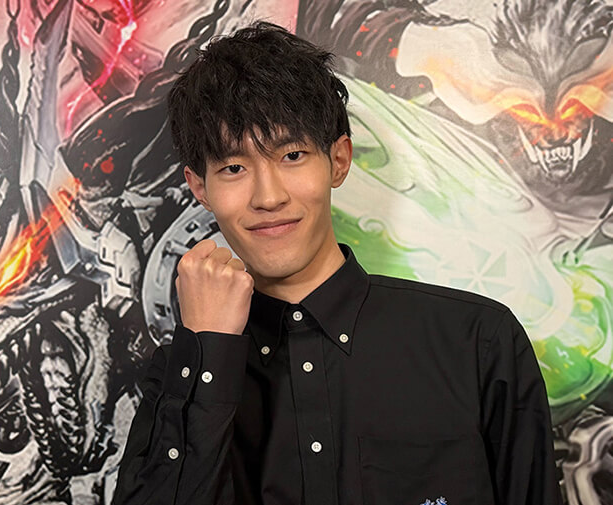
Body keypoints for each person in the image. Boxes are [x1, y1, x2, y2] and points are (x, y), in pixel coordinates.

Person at [111, 21, 561, 505]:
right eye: (234, 167)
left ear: (339, 160)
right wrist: (209, 353)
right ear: (200, 188)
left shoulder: (476, 341)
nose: (268, 197)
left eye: (292, 155)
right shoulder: (179, 376)